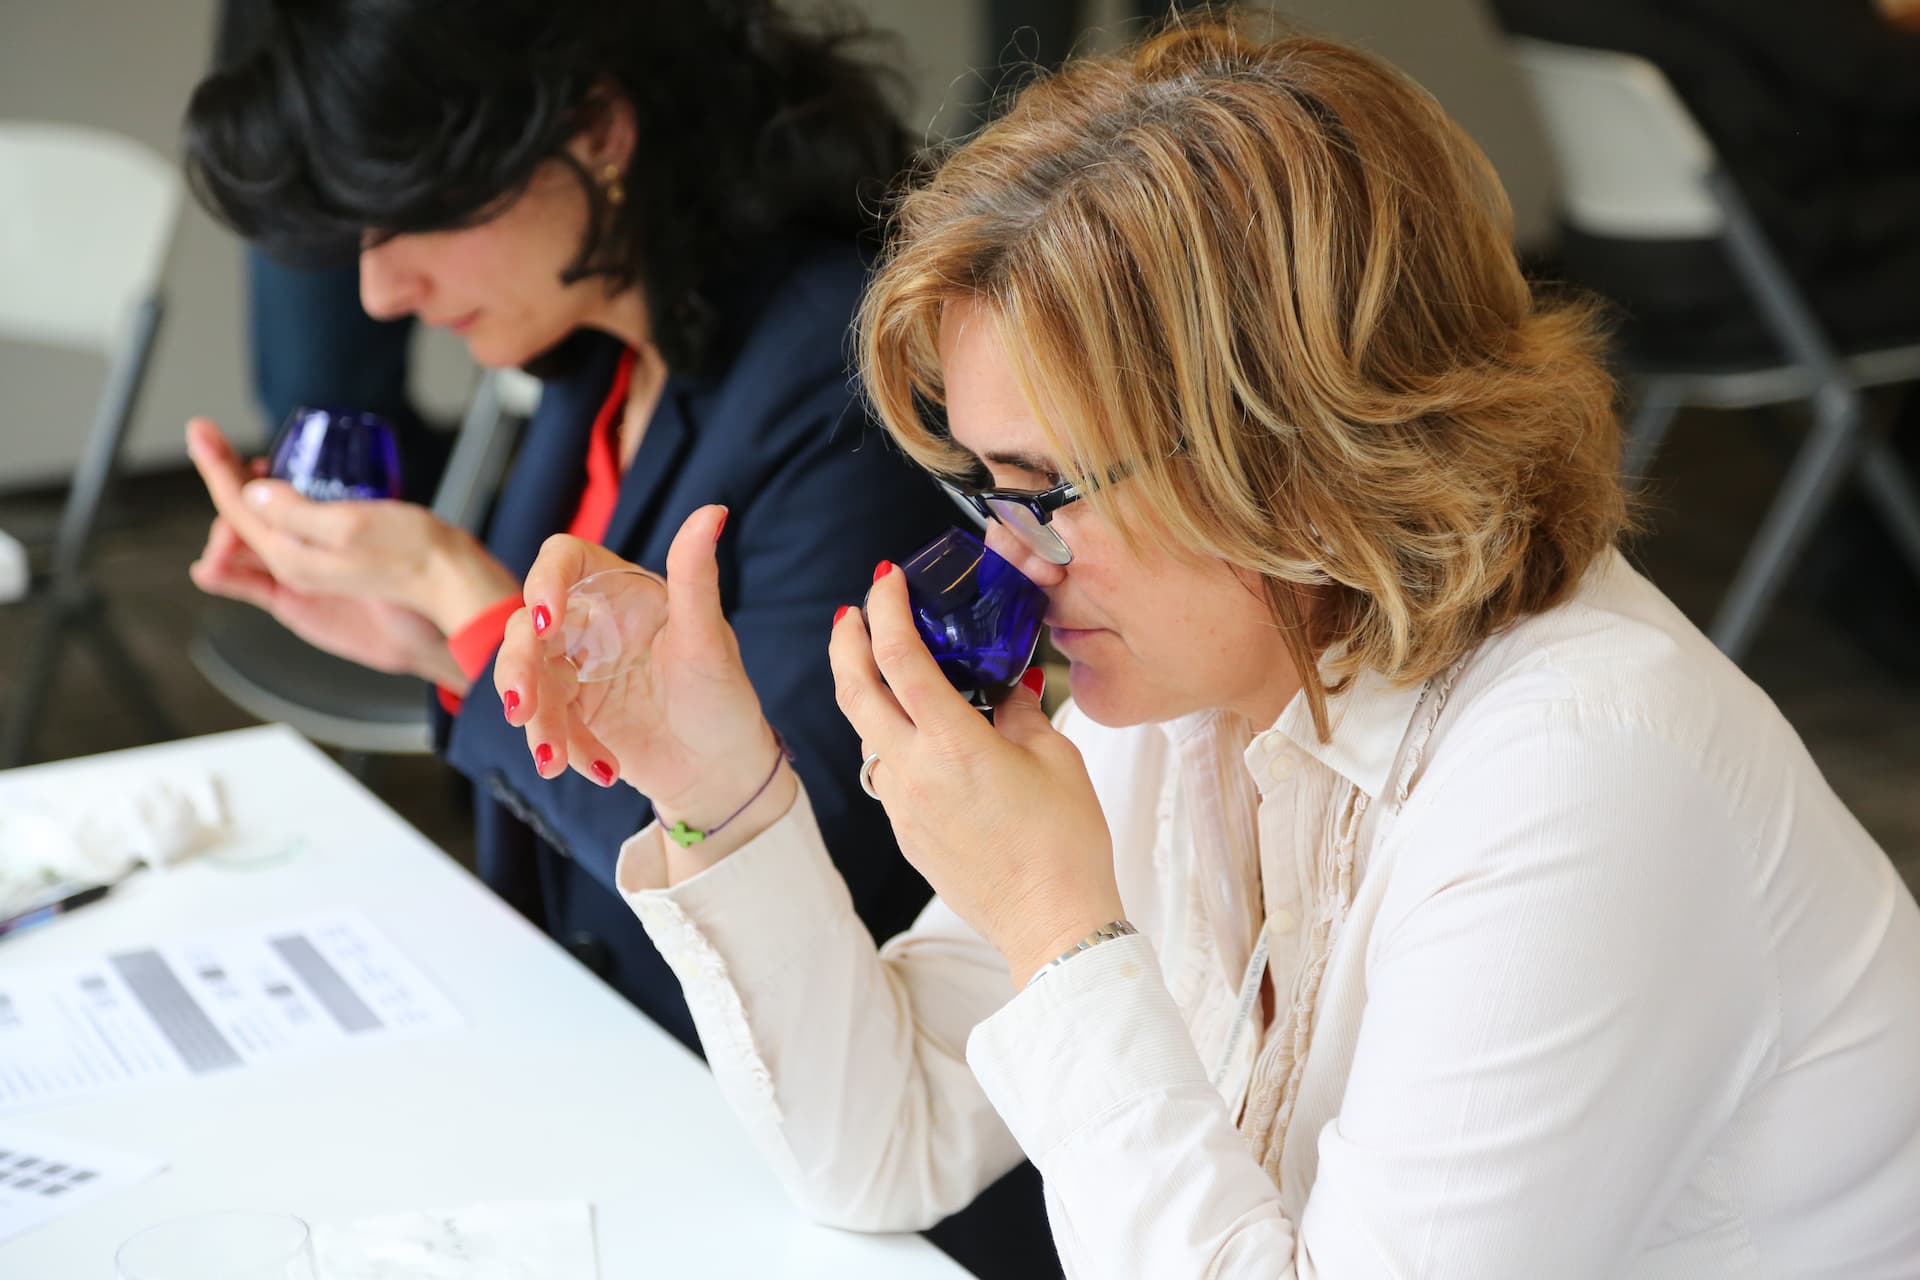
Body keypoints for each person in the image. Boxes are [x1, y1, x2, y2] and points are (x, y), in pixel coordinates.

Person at [497, 19, 1920, 1276]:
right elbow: (887, 1151)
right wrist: (723, 789)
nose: (1010, 557)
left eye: (1044, 490)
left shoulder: (1580, 774)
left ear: (1295, 452)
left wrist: (1061, 931)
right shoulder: (1192, 682)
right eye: (984, 492)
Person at [177, 0, 944, 1051]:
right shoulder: (610, 349)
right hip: (604, 1037)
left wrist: (461, 589)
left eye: (411, 214)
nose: (380, 286)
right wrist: (430, 638)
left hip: (773, 1093)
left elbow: (795, 860)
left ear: (596, 129)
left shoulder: (835, 362)